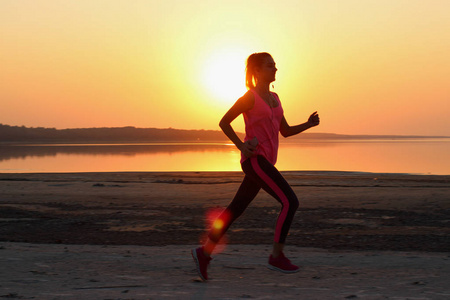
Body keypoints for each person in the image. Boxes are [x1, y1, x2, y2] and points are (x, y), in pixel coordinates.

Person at [192, 52, 320, 281]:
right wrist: (241, 145)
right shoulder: (249, 98)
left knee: (234, 210)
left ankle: (204, 253)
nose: (275, 69)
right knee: (290, 201)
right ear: (257, 71)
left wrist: (308, 124)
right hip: (255, 161)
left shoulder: (276, 98)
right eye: (270, 66)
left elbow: (285, 131)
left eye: (275, 66)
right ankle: (276, 256)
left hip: (266, 162)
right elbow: (224, 122)